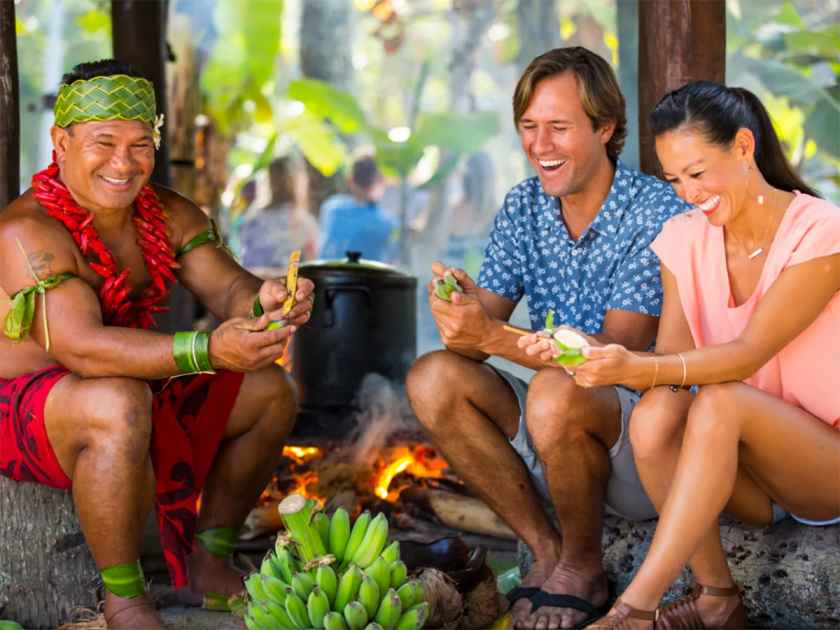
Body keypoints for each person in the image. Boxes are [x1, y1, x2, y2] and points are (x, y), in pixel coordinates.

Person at [0, 60, 315, 629]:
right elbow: (82, 349)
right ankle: (124, 600)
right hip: (26, 404)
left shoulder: (165, 211)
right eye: (103, 142)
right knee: (117, 399)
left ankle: (206, 561)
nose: (124, 162)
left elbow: (229, 287)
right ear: (61, 142)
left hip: (128, 383)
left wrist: (266, 301)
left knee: (269, 390)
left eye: (140, 144)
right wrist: (210, 352)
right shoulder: (28, 231)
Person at [519, 81, 840, 629]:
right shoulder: (682, 240)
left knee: (720, 401)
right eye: (673, 179)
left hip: (821, 464)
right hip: (749, 475)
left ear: (743, 147)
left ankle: (634, 608)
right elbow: (669, 363)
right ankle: (719, 596)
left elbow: (746, 353)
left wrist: (639, 366)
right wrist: (584, 352)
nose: (687, 192)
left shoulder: (819, 230)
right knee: (657, 415)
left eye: (697, 173)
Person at [405, 47, 689, 629]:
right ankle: (549, 549)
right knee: (432, 377)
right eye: (529, 127)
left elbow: (610, 355)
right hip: (553, 425)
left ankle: (586, 568)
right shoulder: (524, 205)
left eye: (558, 127)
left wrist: (490, 333)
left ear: (604, 128)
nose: (540, 145)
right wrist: (459, 311)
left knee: (558, 389)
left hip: (639, 444)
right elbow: (475, 342)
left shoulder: (653, 208)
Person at [238, 156, 319, 275]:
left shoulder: (252, 216)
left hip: (249, 284)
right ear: (298, 182)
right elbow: (311, 269)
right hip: (282, 288)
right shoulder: (303, 221)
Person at [318, 156, 397, 262]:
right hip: (368, 277)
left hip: (326, 275)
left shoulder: (331, 207)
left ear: (351, 180)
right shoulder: (386, 222)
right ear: (379, 183)